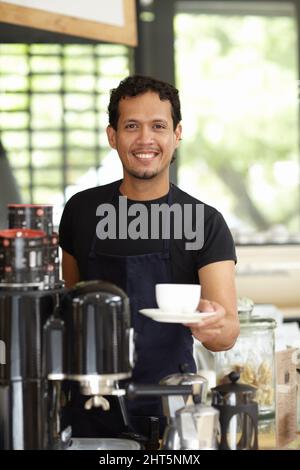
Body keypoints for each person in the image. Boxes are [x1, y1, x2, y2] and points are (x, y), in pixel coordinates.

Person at [59, 75, 239, 438]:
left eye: (158, 126)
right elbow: (67, 306)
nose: (145, 139)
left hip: (171, 411)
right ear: (112, 136)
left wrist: (213, 325)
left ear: (177, 134)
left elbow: (227, 333)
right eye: (131, 126)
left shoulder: (205, 222)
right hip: (90, 407)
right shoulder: (81, 211)